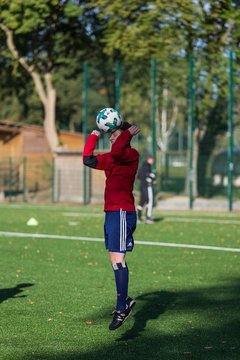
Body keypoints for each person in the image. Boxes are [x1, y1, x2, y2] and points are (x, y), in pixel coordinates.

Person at [83, 120, 140, 331]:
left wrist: (126, 132)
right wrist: (94, 136)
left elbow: (118, 150)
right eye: (111, 135)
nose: (112, 137)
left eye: (114, 135)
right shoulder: (113, 158)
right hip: (112, 212)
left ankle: (121, 307)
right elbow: (88, 159)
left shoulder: (130, 155)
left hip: (123, 211)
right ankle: (124, 303)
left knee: (118, 258)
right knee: (114, 259)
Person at [137, 155, 156, 224]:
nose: (152, 161)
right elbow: (149, 176)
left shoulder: (142, 167)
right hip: (147, 187)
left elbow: (138, 176)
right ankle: (148, 218)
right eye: (151, 160)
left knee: (142, 201)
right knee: (149, 201)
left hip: (142, 187)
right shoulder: (147, 167)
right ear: (149, 159)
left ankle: (138, 217)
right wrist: (152, 179)